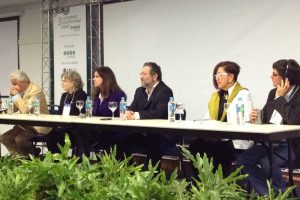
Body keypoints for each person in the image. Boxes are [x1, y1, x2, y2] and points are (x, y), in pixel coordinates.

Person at [236, 59, 300, 195]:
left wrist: (280, 98)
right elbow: (266, 118)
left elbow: (295, 120)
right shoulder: (273, 92)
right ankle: (270, 194)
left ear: (286, 78)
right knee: (242, 160)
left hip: (291, 144)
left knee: (267, 163)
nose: (271, 77)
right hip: (270, 141)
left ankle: (280, 193)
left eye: (274, 74)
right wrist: (256, 116)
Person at [189, 61, 253, 176]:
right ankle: (201, 181)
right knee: (195, 146)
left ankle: (218, 185)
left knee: (218, 147)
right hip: (217, 137)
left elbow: (245, 121)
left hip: (235, 139)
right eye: (216, 75)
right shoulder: (216, 96)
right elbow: (207, 119)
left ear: (231, 77)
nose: (217, 78)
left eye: (220, 75)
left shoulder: (243, 94)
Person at [116, 62, 175, 168]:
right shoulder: (139, 91)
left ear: (155, 76)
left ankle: (148, 177)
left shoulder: (165, 91)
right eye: (140, 74)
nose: (141, 77)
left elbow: (159, 113)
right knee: (121, 140)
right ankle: (129, 171)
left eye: (144, 74)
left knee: (154, 143)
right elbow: (133, 108)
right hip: (144, 133)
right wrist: (128, 112)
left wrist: (136, 115)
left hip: (161, 135)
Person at [0, 70, 50, 156]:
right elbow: (13, 109)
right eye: (12, 84)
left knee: (19, 139)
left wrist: (16, 96)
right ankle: (20, 159)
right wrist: (12, 96)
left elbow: (25, 110)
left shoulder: (35, 91)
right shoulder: (20, 92)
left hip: (38, 124)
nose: (13, 87)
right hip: (25, 124)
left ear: (23, 82)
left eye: (15, 84)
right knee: (4, 138)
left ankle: (31, 158)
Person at [82, 66, 126, 154]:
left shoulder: (118, 94)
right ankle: (83, 162)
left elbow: (114, 114)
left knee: (84, 134)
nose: (94, 79)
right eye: (94, 77)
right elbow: (94, 113)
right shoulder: (97, 95)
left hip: (112, 130)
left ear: (105, 78)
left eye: (97, 77)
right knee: (80, 132)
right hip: (99, 129)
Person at [46, 69, 87, 154]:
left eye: (64, 81)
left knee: (56, 137)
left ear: (73, 83)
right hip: (63, 127)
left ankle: (61, 161)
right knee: (50, 136)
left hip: (75, 128)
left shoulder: (81, 95)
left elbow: (82, 114)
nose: (62, 83)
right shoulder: (64, 95)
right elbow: (60, 112)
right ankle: (56, 161)